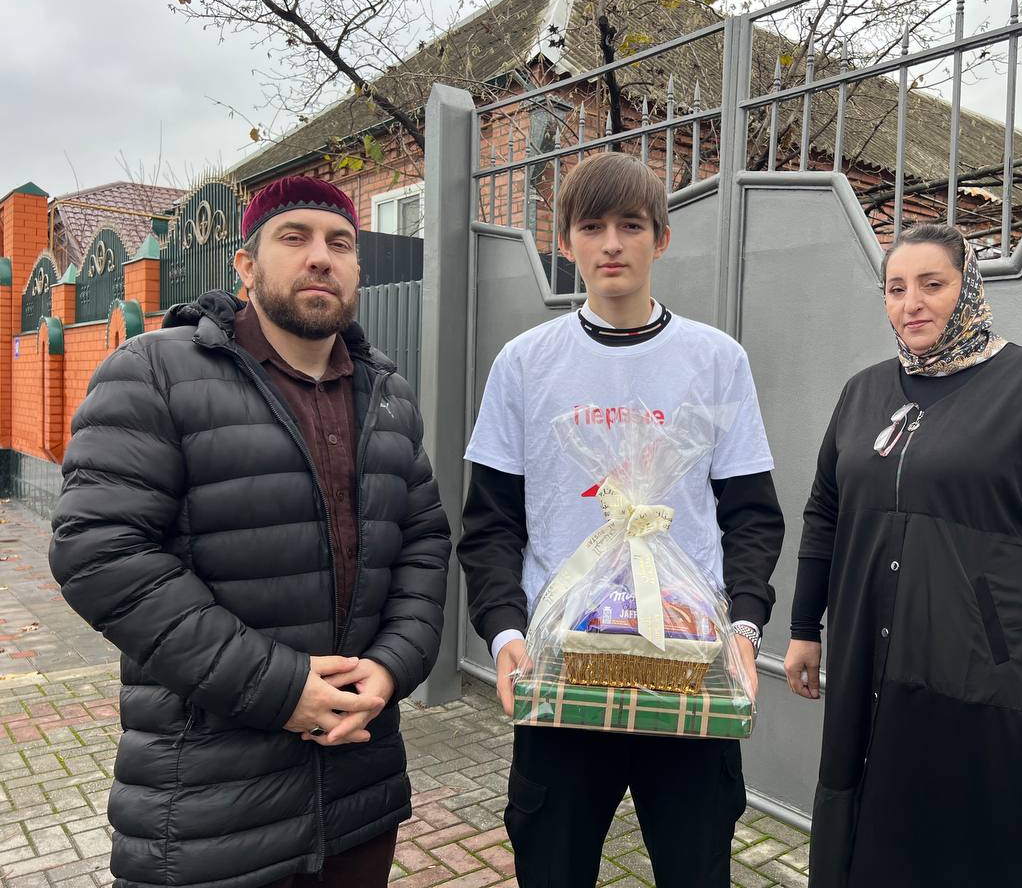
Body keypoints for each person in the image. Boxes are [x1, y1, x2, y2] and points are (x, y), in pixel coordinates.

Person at [49, 176, 452, 888]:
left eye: (340, 243)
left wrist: (393, 666)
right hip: (208, 806)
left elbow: (423, 538)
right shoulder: (155, 372)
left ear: (357, 269)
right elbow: (99, 551)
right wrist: (281, 688)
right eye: (294, 238)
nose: (320, 257)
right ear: (245, 266)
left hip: (359, 790)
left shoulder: (387, 392)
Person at [458, 151, 785, 888]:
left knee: (697, 865)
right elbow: (491, 523)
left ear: (661, 239)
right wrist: (506, 632)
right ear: (565, 241)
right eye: (592, 226)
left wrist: (743, 625)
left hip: (689, 665)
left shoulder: (716, 361)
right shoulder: (524, 364)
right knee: (553, 863)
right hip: (563, 666)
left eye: (631, 225)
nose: (612, 244)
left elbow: (752, 516)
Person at [784, 223, 1022, 887]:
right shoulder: (862, 393)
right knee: (873, 836)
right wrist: (805, 626)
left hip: (991, 680)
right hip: (869, 667)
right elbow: (824, 512)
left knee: (981, 843)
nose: (911, 302)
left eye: (932, 284)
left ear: (968, 288)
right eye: (895, 289)